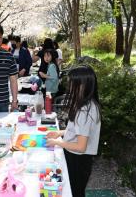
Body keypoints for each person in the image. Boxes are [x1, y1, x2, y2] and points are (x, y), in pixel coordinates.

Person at [46, 65, 101, 197]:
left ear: (82, 85)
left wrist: (57, 142)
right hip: (79, 158)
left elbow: (81, 147)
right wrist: (61, 133)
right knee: (75, 189)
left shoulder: (85, 110)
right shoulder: (88, 104)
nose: (69, 87)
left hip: (78, 159)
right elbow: (79, 131)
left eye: (72, 83)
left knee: (74, 191)